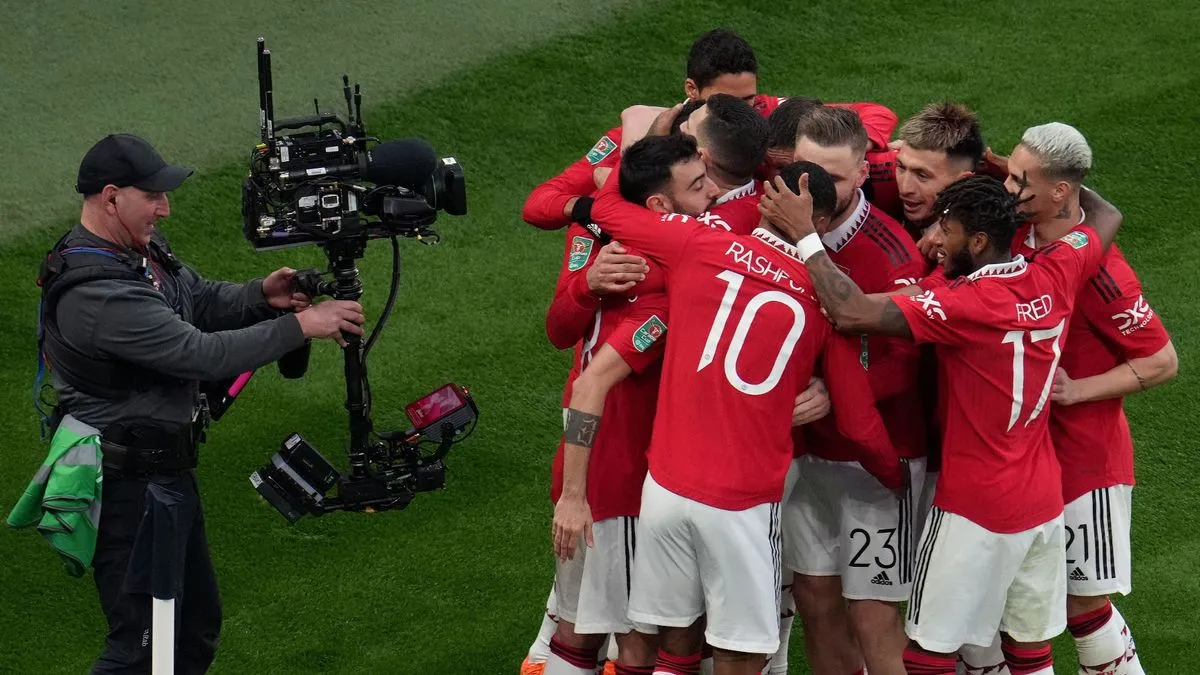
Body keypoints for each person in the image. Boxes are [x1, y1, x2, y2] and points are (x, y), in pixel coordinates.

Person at [759, 171, 1124, 675]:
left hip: (974, 507)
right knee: (1028, 649)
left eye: (945, 230)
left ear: (977, 241)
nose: (933, 240)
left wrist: (803, 235)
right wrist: (1036, 180)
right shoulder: (1056, 269)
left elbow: (850, 311)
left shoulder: (964, 305)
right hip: (1041, 502)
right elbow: (1106, 216)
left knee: (928, 655)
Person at [36, 133, 366, 674]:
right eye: (154, 196)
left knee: (191, 633)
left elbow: (199, 299)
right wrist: (301, 324)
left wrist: (261, 294)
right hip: (131, 493)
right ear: (112, 196)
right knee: (142, 649)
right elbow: (196, 353)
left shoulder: (137, 253)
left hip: (166, 477)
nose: (165, 208)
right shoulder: (98, 293)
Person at [590, 135, 905, 675]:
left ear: (763, 205)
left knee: (673, 642)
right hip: (740, 504)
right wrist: (894, 476)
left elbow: (607, 207)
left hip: (663, 487)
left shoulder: (695, 244)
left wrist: (647, 140)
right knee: (745, 651)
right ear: (822, 225)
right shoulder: (833, 303)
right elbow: (857, 422)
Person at [1004, 122, 1175, 675]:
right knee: (1016, 605)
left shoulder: (1104, 275)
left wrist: (1077, 391)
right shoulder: (1015, 231)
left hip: (1085, 462)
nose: (1008, 188)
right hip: (1023, 457)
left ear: (1060, 191)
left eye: (1020, 180)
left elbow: (1160, 361)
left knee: (1084, 607)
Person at [786, 105, 927, 675]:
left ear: (865, 172)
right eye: (803, 170)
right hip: (804, 456)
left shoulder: (893, 255)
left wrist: (834, 388)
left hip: (877, 463)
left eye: (833, 178)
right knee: (817, 605)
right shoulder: (773, 226)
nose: (811, 189)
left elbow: (907, 362)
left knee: (872, 615)